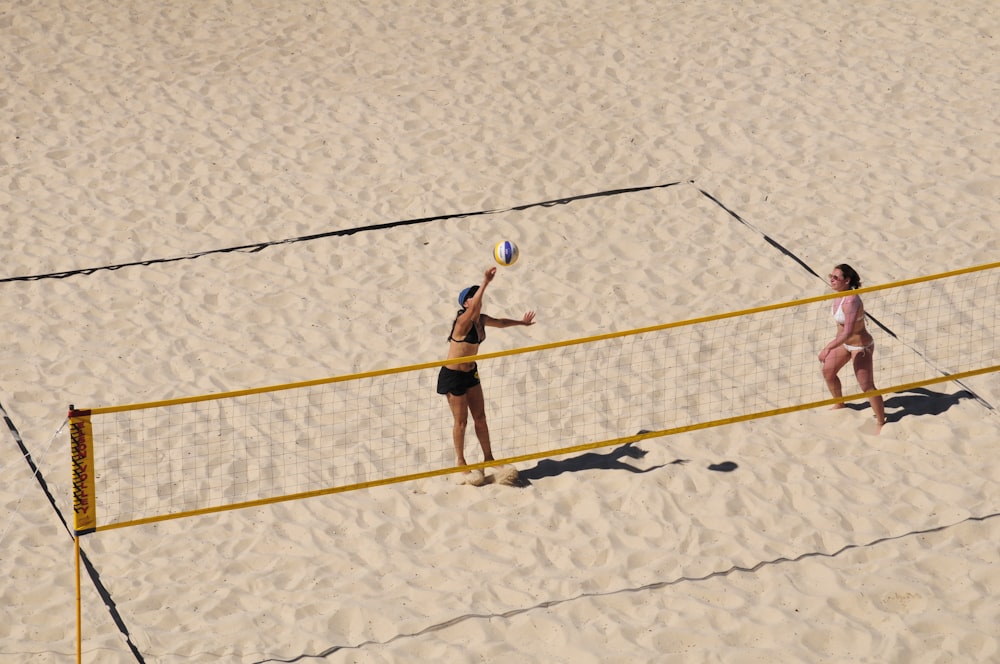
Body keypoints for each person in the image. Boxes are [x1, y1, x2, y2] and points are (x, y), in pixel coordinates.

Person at [437, 267, 535, 467]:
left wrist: (521, 323)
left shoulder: (481, 319)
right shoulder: (463, 320)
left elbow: (500, 322)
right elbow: (474, 308)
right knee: (461, 423)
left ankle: (489, 458)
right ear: (466, 303)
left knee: (480, 418)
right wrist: (485, 282)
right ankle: (461, 463)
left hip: (470, 372)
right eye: (473, 297)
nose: (477, 299)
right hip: (453, 376)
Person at [818, 263, 886, 433]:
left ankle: (880, 422)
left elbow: (848, 332)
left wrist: (827, 347)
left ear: (847, 280)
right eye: (830, 276)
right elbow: (842, 331)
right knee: (828, 371)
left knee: (866, 386)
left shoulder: (851, 301)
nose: (831, 280)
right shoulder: (839, 295)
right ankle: (839, 403)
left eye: (836, 278)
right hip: (845, 344)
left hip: (860, 346)